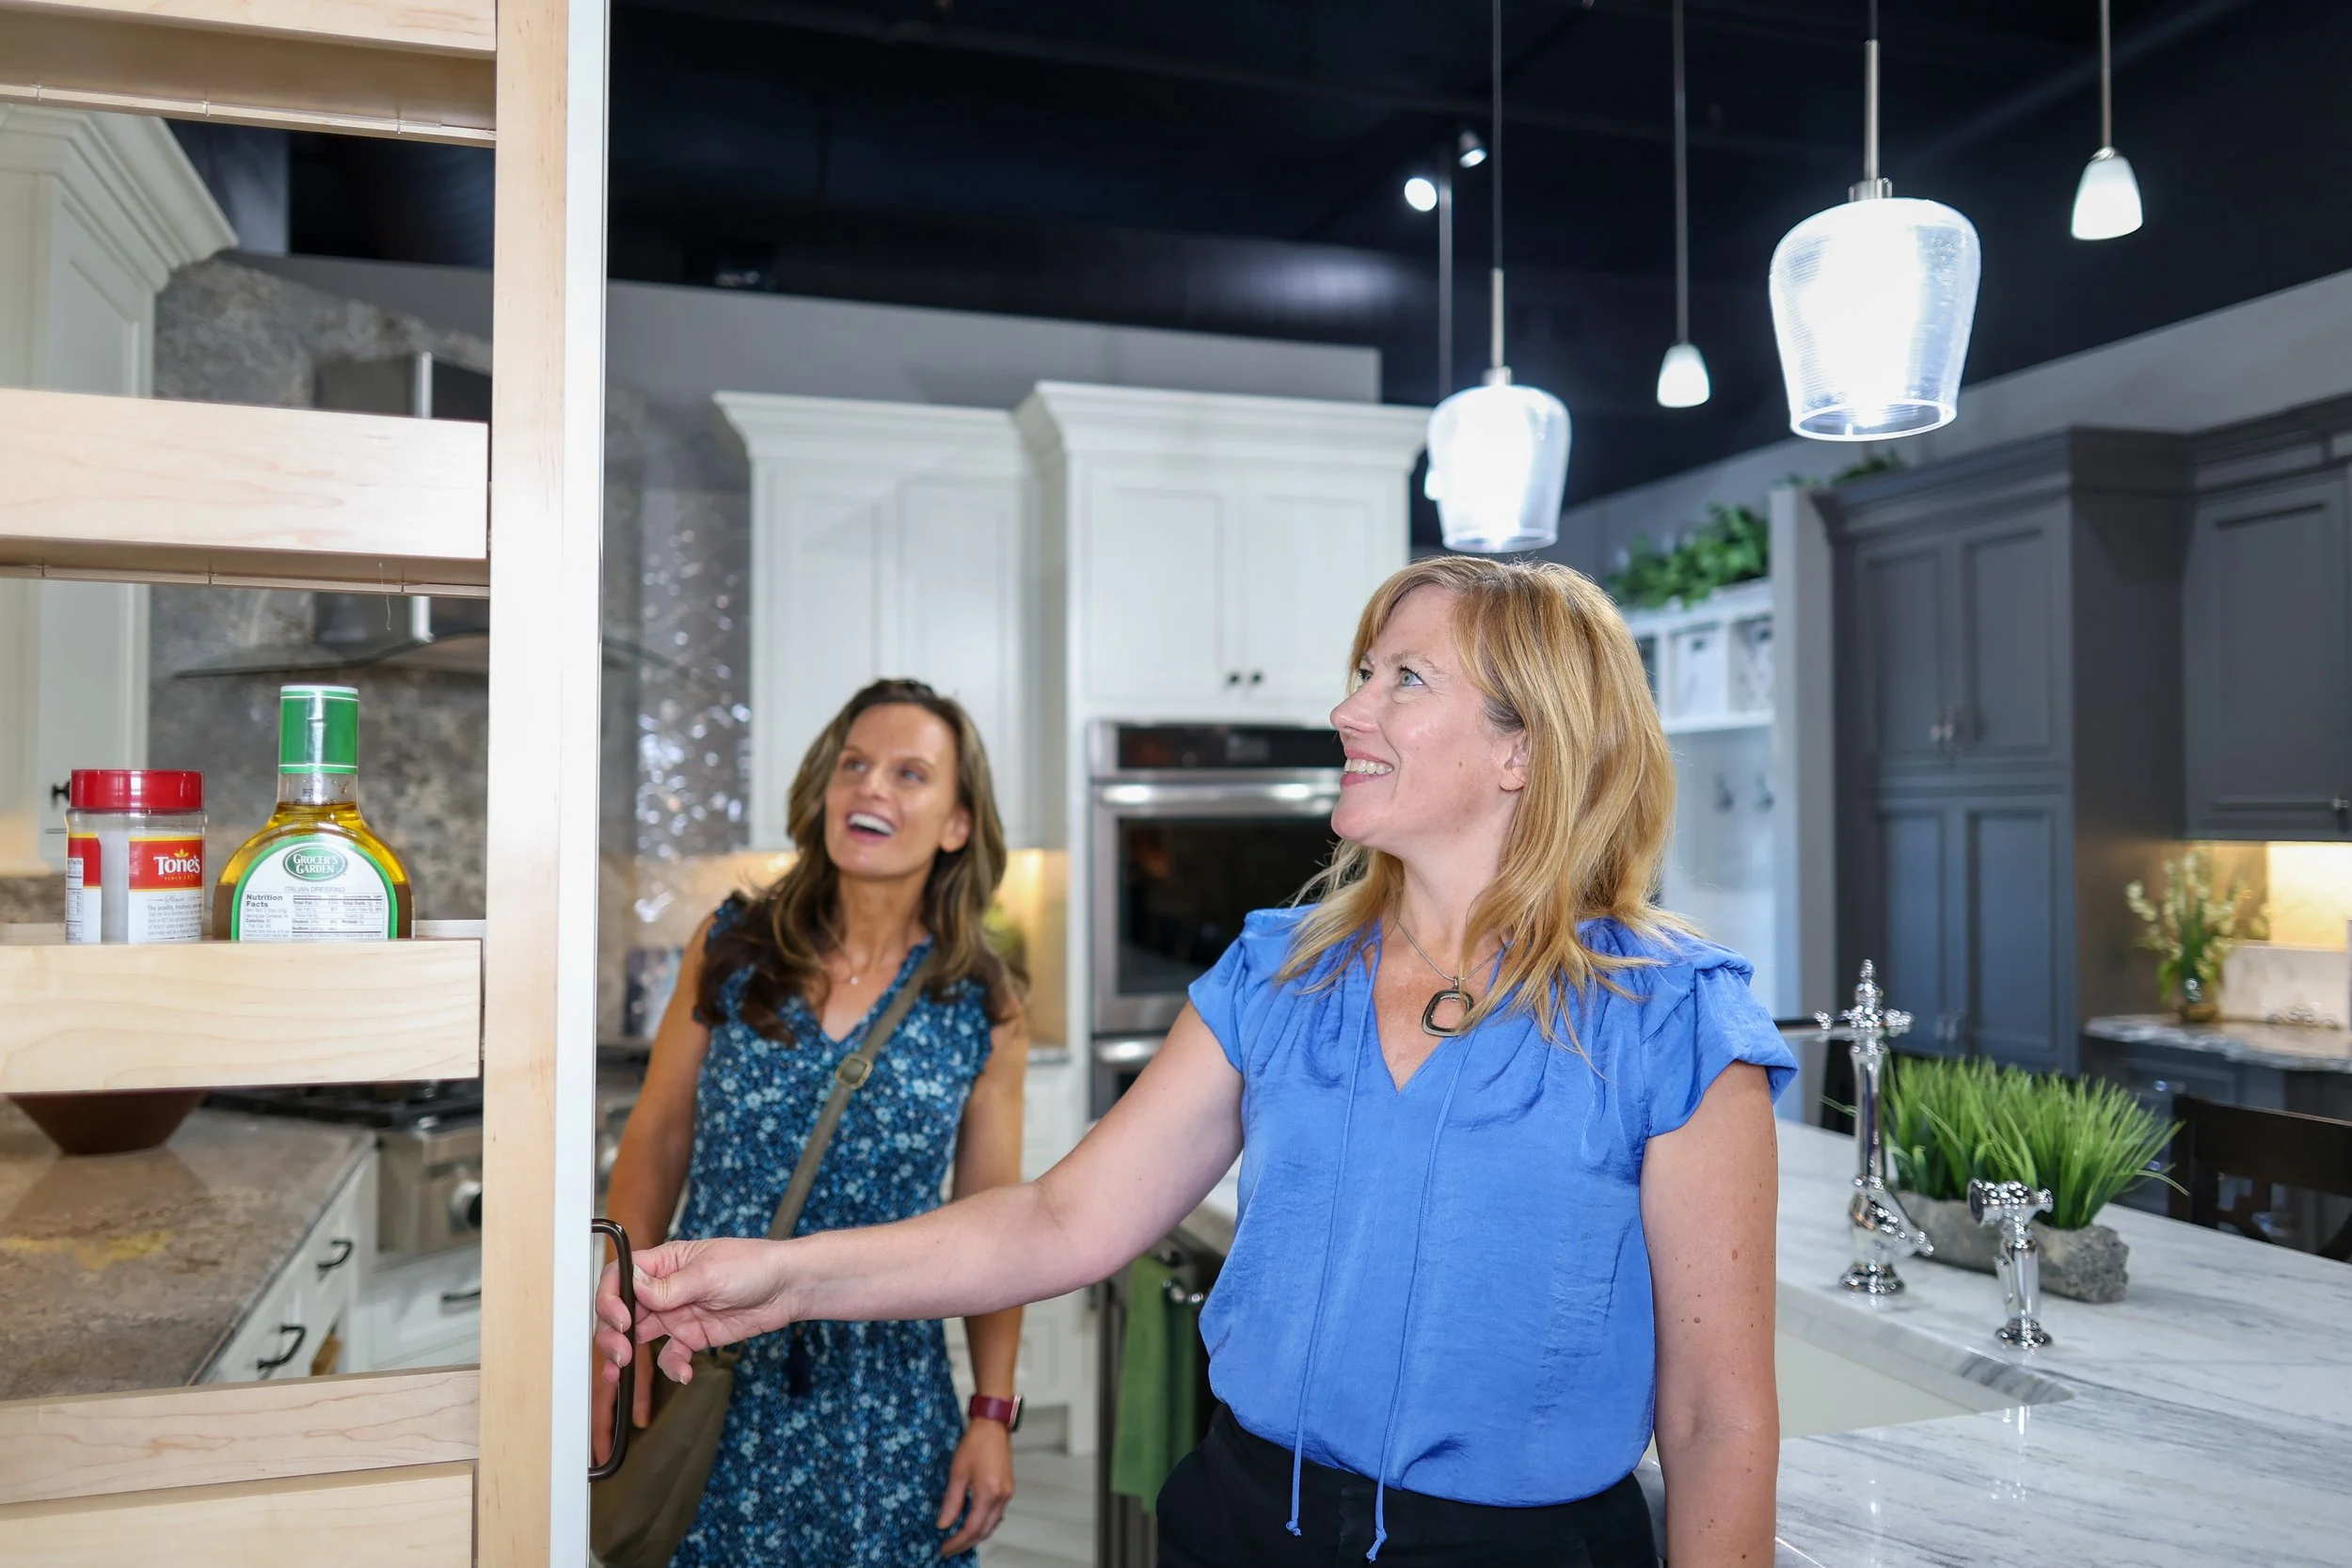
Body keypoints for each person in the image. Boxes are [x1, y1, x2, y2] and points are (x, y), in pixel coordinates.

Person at [598, 560, 1795, 1568]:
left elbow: (1715, 1416)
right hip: (1241, 1520)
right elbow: (1058, 1220)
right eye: (1362, 671)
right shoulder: (1282, 973)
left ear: (1522, 749)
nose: (1347, 707)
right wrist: (780, 1275)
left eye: (1403, 678)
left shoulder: (1670, 1019)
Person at [596, 677, 1028, 1566]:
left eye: (910, 774)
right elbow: (659, 1136)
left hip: (887, 1402)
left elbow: (998, 1226)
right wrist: (620, 1325)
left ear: (956, 822)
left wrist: (991, 1410)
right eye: (854, 765)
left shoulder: (983, 1001)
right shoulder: (731, 944)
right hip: (708, 1375)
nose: (870, 787)